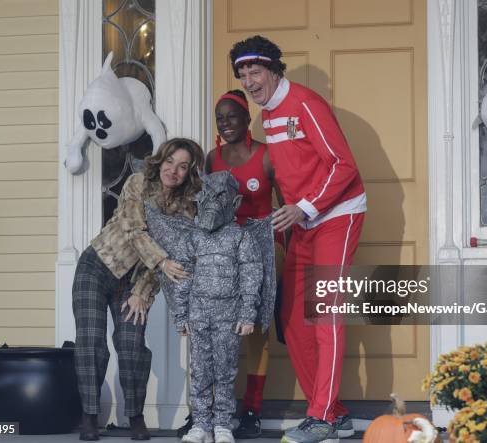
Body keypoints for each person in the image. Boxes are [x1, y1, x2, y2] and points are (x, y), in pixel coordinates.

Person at [229, 36, 367, 443]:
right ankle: (334, 413)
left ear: (274, 70)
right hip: (302, 222)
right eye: (243, 74)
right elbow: (291, 173)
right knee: (291, 317)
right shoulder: (267, 114)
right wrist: (292, 216)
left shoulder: (306, 103)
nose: (250, 81)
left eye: (255, 72)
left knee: (325, 311)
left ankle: (321, 417)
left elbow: (344, 167)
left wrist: (305, 208)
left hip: (338, 215)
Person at [72, 138, 204, 441]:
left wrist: (142, 291)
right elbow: (134, 230)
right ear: (161, 159)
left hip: (133, 283)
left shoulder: (186, 208)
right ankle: (89, 416)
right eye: (170, 162)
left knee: (131, 345)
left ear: (189, 172)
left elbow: (174, 255)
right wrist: (162, 262)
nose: (174, 170)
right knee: (91, 341)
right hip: (96, 266)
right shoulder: (137, 182)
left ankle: (135, 416)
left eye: (183, 167)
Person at [148, 171, 262, 443]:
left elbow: (251, 275)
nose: (212, 202)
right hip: (199, 316)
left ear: (234, 203)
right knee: (199, 370)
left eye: (220, 196)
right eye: (208, 195)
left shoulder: (241, 238)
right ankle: (200, 423)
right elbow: (183, 276)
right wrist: (181, 315)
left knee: (224, 370)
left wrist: (248, 314)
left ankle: (222, 423)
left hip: (229, 318)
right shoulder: (194, 237)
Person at [208, 89, 284, 438]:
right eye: (219, 118)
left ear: (246, 118)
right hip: (226, 252)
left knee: (256, 328)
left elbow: (285, 207)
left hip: (263, 247)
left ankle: (252, 408)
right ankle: (212, 410)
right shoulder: (213, 158)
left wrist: (285, 252)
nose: (225, 123)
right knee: (219, 328)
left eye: (231, 116)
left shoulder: (267, 156)